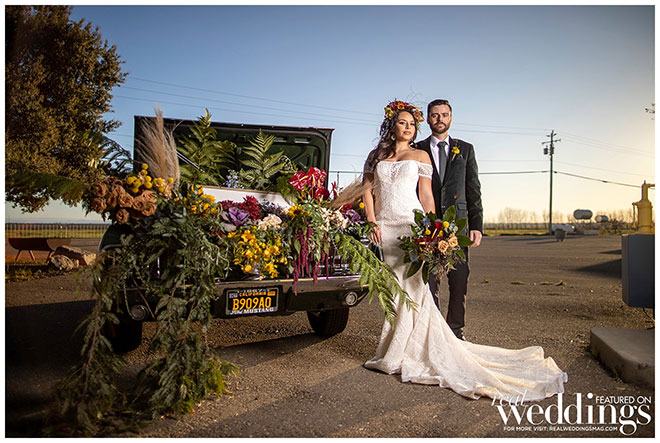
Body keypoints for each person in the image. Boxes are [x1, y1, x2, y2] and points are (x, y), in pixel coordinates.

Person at [361, 99, 567, 401]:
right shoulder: (376, 155)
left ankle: (402, 352)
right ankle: (395, 346)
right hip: (384, 228)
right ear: (391, 125)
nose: (407, 127)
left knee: (415, 289)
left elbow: (427, 195)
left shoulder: (421, 155)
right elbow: (367, 190)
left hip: (409, 226)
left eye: (411, 124)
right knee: (393, 289)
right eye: (402, 122)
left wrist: (433, 229)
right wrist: (371, 221)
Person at [414, 99, 481, 341]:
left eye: (444, 114)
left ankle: (455, 331)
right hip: (428, 225)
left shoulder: (466, 149)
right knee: (429, 281)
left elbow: (473, 189)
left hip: (458, 225)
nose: (440, 119)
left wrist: (476, 226)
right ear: (428, 119)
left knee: (459, 279)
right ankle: (433, 332)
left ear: (451, 118)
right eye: (435, 115)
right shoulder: (417, 149)